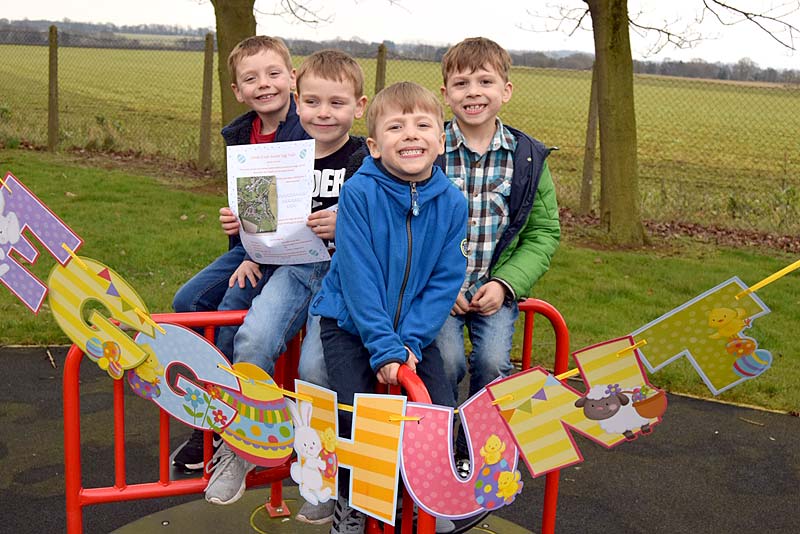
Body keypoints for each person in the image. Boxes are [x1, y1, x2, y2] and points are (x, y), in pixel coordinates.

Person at [203, 49, 369, 526]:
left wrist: (346, 223)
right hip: (293, 269)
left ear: (358, 108)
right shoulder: (273, 156)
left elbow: (382, 219)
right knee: (252, 338)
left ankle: (319, 477)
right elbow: (261, 225)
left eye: (336, 104)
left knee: (316, 365)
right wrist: (245, 238)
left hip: (343, 278)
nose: (322, 113)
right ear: (298, 104)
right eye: (312, 102)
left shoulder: (366, 159)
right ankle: (240, 447)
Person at [310, 81, 468, 534]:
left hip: (415, 330)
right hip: (350, 323)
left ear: (441, 140)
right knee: (351, 411)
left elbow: (443, 281)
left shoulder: (452, 203)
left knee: (436, 405)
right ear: (375, 146)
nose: (411, 134)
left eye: (423, 125)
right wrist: (384, 349)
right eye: (396, 127)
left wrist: (409, 343)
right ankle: (350, 500)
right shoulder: (360, 193)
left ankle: (432, 496)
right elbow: (358, 277)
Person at [170, 35, 308, 475]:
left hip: (298, 253)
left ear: (292, 77)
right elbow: (253, 205)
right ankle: (206, 417)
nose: (263, 85)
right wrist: (238, 231)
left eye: (273, 74)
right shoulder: (241, 136)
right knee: (188, 304)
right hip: (254, 250)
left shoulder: (309, 128)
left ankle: (228, 427)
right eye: (251, 78)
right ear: (237, 91)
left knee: (233, 315)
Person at [436, 37, 561, 474]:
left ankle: (477, 448)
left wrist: (506, 284)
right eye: (461, 82)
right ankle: (439, 449)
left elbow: (543, 233)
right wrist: (436, 283)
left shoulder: (527, 157)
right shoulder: (428, 150)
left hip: (494, 288)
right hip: (440, 291)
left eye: (485, 81)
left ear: (506, 90)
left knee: (492, 363)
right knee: (447, 362)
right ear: (445, 93)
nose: (473, 92)